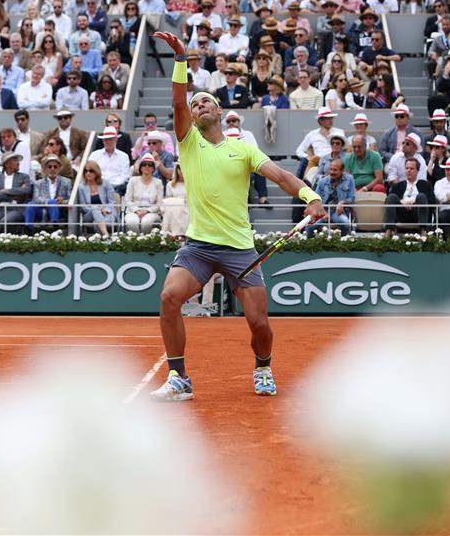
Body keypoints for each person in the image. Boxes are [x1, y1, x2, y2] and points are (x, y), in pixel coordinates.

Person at [148, 30, 324, 401]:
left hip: (240, 248)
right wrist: (181, 60)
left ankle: (263, 366)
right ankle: (179, 377)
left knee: (259, 323)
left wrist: (310, 196)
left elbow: (281, 176)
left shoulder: (243, 149)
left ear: (220, 111)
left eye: (205, 102)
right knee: (168, 298)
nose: (198, 106)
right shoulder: (188, 141)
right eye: (195, 104)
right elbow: (179, 101)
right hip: (198, 246)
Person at [384, 157, 434, 234]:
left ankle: (423, 231)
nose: (409, 170)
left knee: (421, 196)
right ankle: (388, 231)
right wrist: (402, 202)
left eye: (411, 168)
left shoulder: (425, 185)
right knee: (391, 197)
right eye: (407, 168)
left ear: (417, 170)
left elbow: (432, 201)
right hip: (401, 213)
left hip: (417, 213)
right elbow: (387, 201)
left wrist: (415, 202)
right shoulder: (398, 185)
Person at [307, 158, 355, 237]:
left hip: (338, 212)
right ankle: (310, 246)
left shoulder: (349, 179)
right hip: (323, 210)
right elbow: (315, 199)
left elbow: (352, 197)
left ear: (342, 170)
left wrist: (342, 202)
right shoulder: (322, 181)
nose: (332, 172)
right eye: (331, 169)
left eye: (335, 170)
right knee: (310, 226)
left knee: (345, 223)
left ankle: (343, 244)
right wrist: (324, 212)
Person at [25, 154, 72, 231]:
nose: (52, 169)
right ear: (45, 169)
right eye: (49, 167)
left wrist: (62, 201)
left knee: (54, 203)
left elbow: (71, 200)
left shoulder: (66, 182)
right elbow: (36, 199)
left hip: (60, 210)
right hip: (42, 211)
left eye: (55, 167)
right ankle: (28, 229)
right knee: (30, 204)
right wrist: (51, 202)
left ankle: (54, 226)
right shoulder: (38, 183)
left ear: (59, 168)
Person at [77, 160, 116, 237]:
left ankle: (100, 240)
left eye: (91, 171)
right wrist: (98, 209)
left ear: (96, 172)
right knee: (95, 210)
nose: (88, 173)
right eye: (86, 171)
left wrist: (106, 210)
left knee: (96, 222)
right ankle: (106, 234)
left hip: (106, 213)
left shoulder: (105, 184)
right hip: (89, 214)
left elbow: (112, 201)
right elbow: (84, 206)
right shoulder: (81, 187)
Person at [161, 163, 189, 237]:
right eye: (179, 168)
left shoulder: (192, 184)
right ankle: (172, 236)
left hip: (188, 209)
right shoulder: (170, 184)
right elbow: (168, 200)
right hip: (173, 209)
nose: (181, 171)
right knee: (171, 209)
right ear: (177, 170)